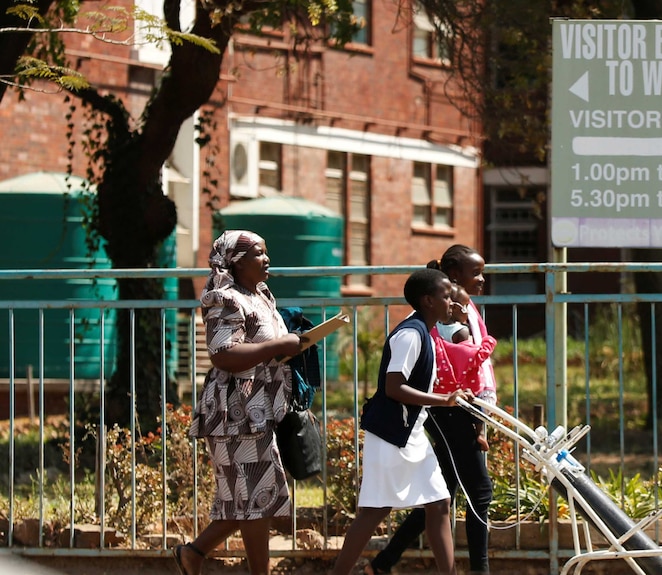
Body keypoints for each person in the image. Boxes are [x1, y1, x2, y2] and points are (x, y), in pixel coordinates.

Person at [173, 230, 304, 575]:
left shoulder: (260, 294)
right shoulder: (224, 298)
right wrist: (278, 347)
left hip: (258, 410)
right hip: (235, 413)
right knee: (255, 499)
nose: (266, 259)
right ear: (236, 262)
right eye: (258, 254)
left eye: (266, 252)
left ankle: (193, 554)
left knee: (246, 499)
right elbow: (223, 354)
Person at [331, 268, 473, 575]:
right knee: (373, 511)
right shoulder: (410, 335)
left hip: (412, 436)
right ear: (427, 301)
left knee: (438, 504)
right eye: (446, 296)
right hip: (391, 436)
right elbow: (394, 387)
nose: (452, 302)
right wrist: (443, 399)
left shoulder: (426, 330)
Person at [367, 245, 497, 575]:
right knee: (479, 492)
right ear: (453, 275)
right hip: (449, 409)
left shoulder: (464, 310)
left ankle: (382, 564)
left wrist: (482, 420)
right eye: (475, 273)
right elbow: (456, 358)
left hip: (463, 408)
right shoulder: (443, 320)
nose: (482, 279)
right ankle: (480, 571)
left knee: (440, 495)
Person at [433, 284, 497, 452]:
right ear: (454, 308)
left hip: (445, 383)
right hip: (466, 383)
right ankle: (480, 432)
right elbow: (471, 357)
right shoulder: (461, 331)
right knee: (478, 407)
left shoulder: (434, 329)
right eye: (466, 307)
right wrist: (488, 343)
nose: (468, 312)